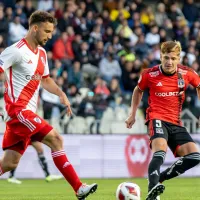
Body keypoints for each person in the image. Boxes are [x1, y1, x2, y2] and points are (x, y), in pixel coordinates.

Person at [0, 10, 97, 200]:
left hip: (26, 113)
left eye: (51, 31)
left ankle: (78, 188)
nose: (50, 36)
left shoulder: (42, 53)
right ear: (35, 28)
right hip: (18, 111)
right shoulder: (16, 50)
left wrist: (61, 94)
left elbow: (45, 80)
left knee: (9, 163)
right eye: (46, 31)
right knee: (56, 139)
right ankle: (78, 188)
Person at [125, 41, 200, 200]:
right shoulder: (149, 74)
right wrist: (132, 114)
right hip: (156, 118)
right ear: (160, 56)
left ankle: (159, 178)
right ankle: (152, 191)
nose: (169, 62)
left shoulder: (187, 73)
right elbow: (138, 90)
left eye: (173, 58)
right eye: (166, 57)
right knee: (160, 151)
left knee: (195, 156)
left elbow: (199, 85)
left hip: (176, 122)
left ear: (179, 59)